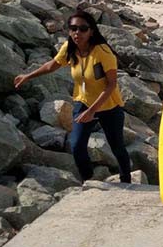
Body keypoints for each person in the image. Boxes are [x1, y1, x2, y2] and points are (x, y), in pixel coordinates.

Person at [14, 10, 131, 183]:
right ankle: (89, 181)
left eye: (83, 28)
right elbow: (52, 65)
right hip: (82, 102)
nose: (77, 33)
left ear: (91, 31)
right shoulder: (69, 47)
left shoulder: (102, 52)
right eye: (73, 28)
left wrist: (92, 111)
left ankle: (126, 181)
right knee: (76, 145)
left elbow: (111, 84)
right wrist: (27, 76)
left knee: (117, 147)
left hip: (108, 105)